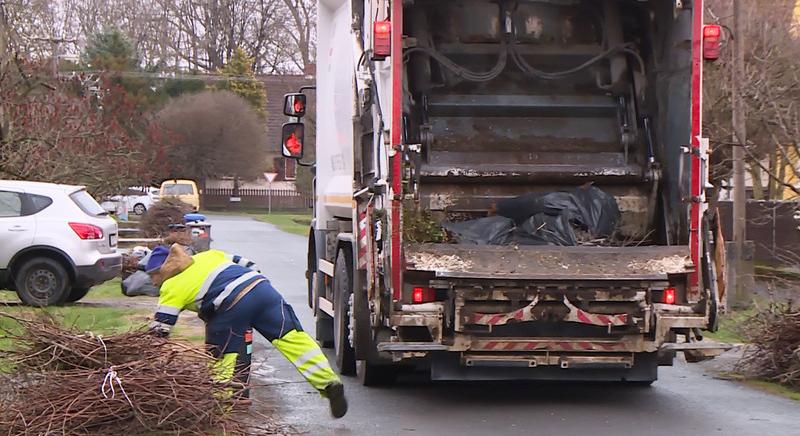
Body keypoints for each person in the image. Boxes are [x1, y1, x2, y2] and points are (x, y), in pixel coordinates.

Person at [145, 244, 347, 418]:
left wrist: (146, 358)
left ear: (164, 270)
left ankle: (223, 408)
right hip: (262, 290)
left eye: (153, 276)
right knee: (294, 338)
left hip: (229, 307)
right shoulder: (208, 255)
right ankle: (328, 382)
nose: (153, 282)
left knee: (224, 356)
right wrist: (255, 287)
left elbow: (161, 330)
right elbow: (249, 264)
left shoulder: (171, 286)